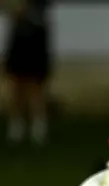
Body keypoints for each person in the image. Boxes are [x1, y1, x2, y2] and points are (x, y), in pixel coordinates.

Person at [3, 0, 51, 144]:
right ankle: (16, 127)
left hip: (35, 36)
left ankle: (38, 127)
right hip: (19, 36)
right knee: (16, 83)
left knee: (35, 84)